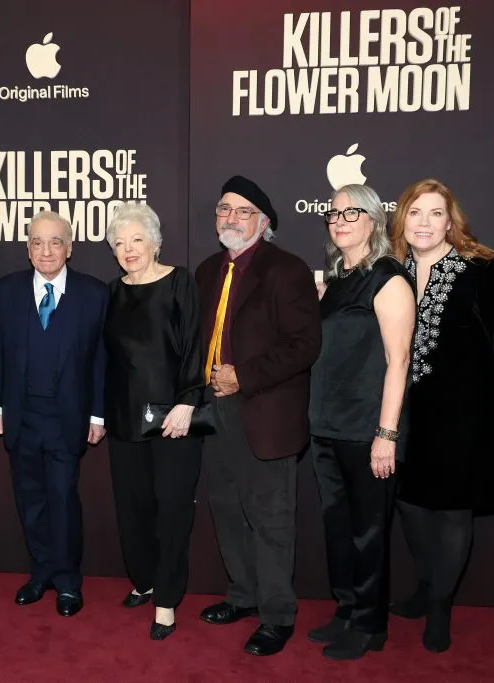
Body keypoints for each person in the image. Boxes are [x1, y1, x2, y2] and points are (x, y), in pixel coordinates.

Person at [388, 179, 494, 653]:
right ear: (401, 219)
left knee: (452, 511)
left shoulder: (478, 268)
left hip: (464, 416)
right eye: (415, 212)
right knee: (409, 504)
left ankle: (440, 603)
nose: (424, 222)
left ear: (451, 220)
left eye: (435, 213)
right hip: (404, 412)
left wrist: (489, 396)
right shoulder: (390, 269)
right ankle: (428, 584)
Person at [195, 176, 321, 657]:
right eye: (223, 209)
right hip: (215, 411)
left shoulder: (286, 270)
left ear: (263, 222)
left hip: (265, 412)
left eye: (242, 211)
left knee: (270, 519)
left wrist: (242, 376)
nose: (230, 218)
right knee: (227, 510)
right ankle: (243, 596)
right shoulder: (207, 271)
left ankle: (276, 615)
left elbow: (304, 346)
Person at [307, 184, 415, 660]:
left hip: (368, 429)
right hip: (325, 425)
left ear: (373, 220)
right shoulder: (335, 279)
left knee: (368, 531)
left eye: (353, 212)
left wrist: (386, 435)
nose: (341, 220)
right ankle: (347, 610)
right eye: (334, 214)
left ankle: (371, 625)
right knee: (337, 526)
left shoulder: (388, 278)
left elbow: (399, 361)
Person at [0, 211, 108, 618]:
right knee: (30, 500)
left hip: (67, 419)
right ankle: (41, 573)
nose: (46, 250)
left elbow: (101, 359)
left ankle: (68, 582)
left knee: (62, 499)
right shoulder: (6, 291)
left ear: (69, 248)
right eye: (37, 242)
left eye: (55, 242)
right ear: (27, 249)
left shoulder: (94, 294)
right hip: (22, 416)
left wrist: (97, 414)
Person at [103, 203, 203, 641]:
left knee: (172, 510)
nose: (128, 250)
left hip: (172, 417)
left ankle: (166, 600)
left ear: (155, 242)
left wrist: (187, 403)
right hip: (125, 417)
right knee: (133, 508)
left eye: (136, 240)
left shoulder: (180, 280)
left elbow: (196, 346)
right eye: (120, 243)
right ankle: (143, 580)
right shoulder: (113, 291)